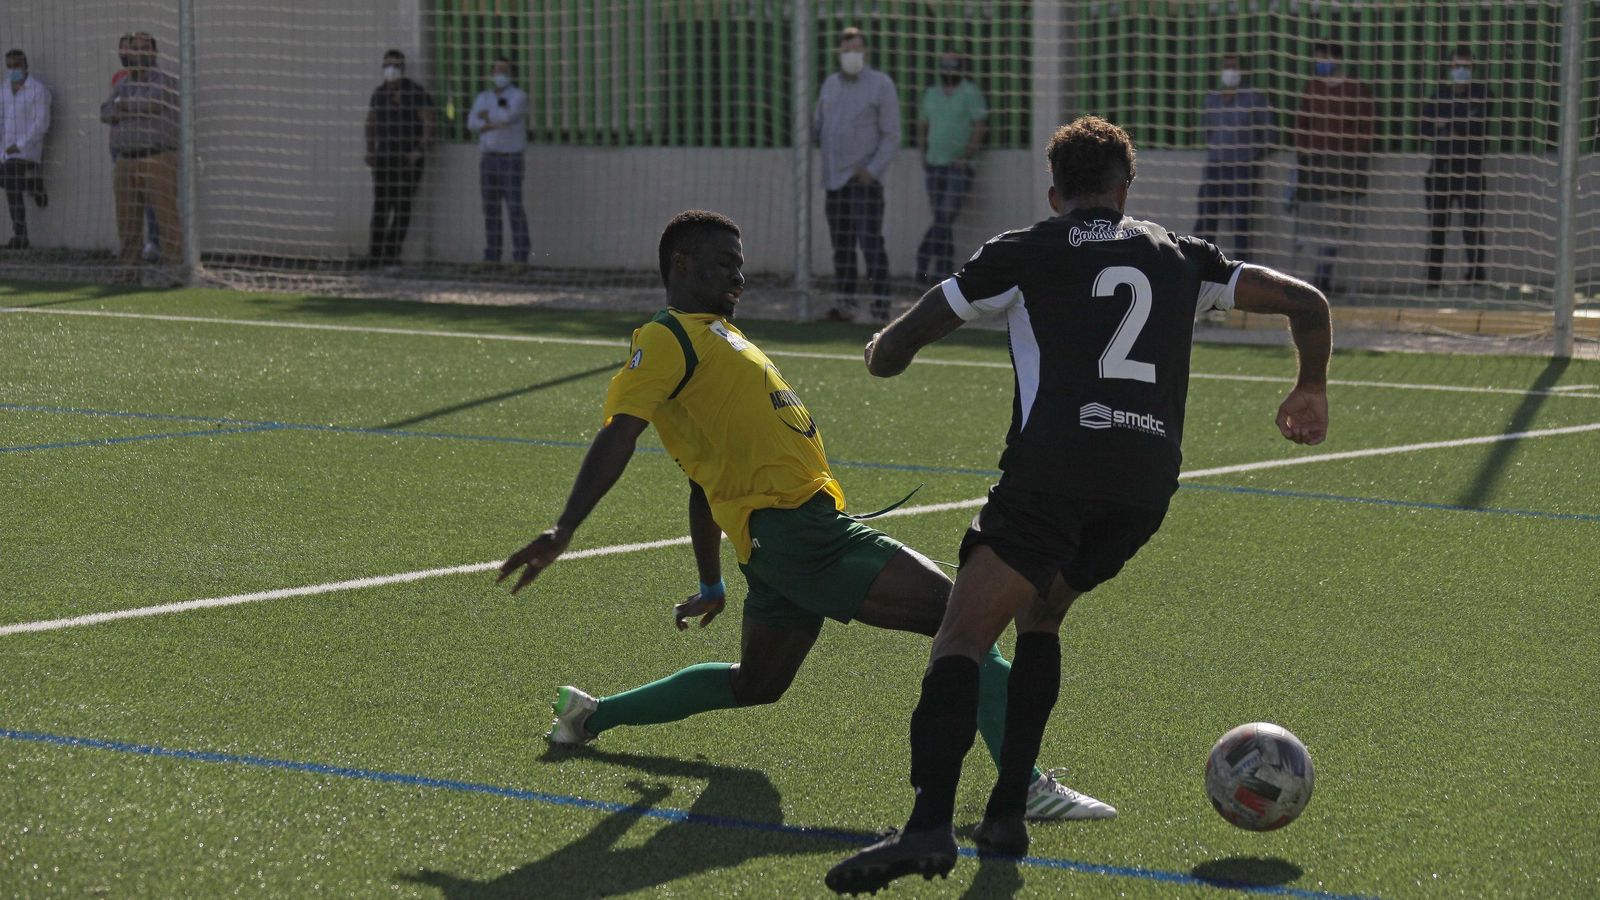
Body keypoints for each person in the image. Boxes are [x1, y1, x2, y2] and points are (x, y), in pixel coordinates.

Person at [825, 116, 1331, 894]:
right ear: (1127, 189)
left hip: (1052, 473)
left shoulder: (1025, 249)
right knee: (1044, 616)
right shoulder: (1180, 254)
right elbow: (1306, 301)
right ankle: (1005, 812)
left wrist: (879, 353)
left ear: (1055, 192)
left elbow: (912, 332)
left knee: (960, 635)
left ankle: (927, 827)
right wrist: (1310, 387)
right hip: (1142, 486)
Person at [498, 209, 1116, 824]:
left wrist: (713, 581)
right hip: (803, 536)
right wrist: (566, 528)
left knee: (756, 685)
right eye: (723, 265)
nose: (738, 279)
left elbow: (701, 481)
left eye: (741, 268)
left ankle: (588, 715)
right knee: (966, 620)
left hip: (776, 544)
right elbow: (619, 435)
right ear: (680, 264)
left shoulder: (723, 336)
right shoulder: (665, 338)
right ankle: (1026, 785)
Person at [814, 27, 900, 323]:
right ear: (840, 54)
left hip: (863, 181)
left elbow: (891, 135)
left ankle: (881, 306)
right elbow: (819, 125)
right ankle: (845, 305)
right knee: (842, 246)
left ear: (866, 53)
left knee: (871, 243)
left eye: (857, 49)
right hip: (834, 181)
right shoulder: (830, 84)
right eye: (847, 50)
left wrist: (872, 170)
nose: (852, 55)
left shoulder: (881, 85)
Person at [1291, 42, 1373, 294]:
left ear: (1336, 60)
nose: (1320, 63)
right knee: (1316, 223)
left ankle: (1323, 276)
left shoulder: (1355, 89)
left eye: (1323, 58)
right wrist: (1304, 153)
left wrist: (1354, 155)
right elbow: (1302, 124)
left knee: (1339, 224)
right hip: (1316, 165)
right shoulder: (1312, 88)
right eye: (1317, 59)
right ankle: (1317, 278)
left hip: (1345, 166)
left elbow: (1367, 125)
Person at [99, 32, 181, 270]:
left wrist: (123, 107)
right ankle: (128, 270)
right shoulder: (124, 83)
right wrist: (126, 107)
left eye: (145, 48)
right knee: (126, 219)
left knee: (166, 217)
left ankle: (177, 269)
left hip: (156, 157)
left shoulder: (164, 80)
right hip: (125, 160)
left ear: (154, 52)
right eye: (135, 48)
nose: (139, 53)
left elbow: (153, 104)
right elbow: (104, 111)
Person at [914, 52, 987, 285]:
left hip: (958, 167)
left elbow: (979, 126)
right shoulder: (932, 93)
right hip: (934, 163)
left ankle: (923, 259)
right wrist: (923, 152)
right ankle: (942, 273)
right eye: (945, 68)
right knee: (941, 219)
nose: (949, 72)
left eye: (953, 68)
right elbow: (923, 124)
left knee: (944, 216)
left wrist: (966, 157)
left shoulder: (970, 92)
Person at [1421, 47, 1492, 286]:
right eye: (1456, 66)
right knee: (1437, 226)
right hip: (1440, 169)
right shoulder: (1439, 95)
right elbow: (1426, 128)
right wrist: (1458, 124)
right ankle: (1432, 280)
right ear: (1450, 68)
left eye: (1466, 67)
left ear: (1473, 69)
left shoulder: (1482, 94)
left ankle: (1476, 276)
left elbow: (1476, 127)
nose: (1461, 71)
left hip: (1469, 169)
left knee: (1472, 225)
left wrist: (1448, 123)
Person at [1195, 53, 1272, 257]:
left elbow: (1268, 133)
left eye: (1234, 67)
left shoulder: (1254, 98)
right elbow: (1206, 131)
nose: (1230, 71)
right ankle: (1201, 269)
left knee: (1241, 223)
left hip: (1242, 168)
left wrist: (1250, 153)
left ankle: (1241, 275)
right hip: (1215, 166)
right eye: (1226, 66)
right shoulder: (1212, 99)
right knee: (1205, 220)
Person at [364, 49, 435, 270]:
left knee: (402, 206)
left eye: (395, 65)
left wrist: (419, 150)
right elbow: (371, 123)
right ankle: (374, 256)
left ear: (403, 68)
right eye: (387, 65)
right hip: (384, 158)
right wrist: (370, 150)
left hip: (406, 159)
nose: (390, 69)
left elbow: (429, 123)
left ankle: (392, 255)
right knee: (381, 207)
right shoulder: (379, 93)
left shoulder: (415, 92)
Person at [466, 56, 530, 266]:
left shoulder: (519, 95)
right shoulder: (483, 96)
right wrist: (490, 118)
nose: (500, 74)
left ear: (511, 74)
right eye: (497, 70)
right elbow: (471, 123)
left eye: (505, 70)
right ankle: (492, 255)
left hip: (510, 159)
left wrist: (487, 117)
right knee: (490, 207)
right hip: (488, 159)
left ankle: (520, 257)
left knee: (514, 207)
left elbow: (508, 117)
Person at [111, 34, 160, 262]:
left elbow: (149, 107)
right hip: (121, 146)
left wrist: (125, 106)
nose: (126, 54)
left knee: (152, 200)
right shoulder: (120, 79)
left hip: (148, 149)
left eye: (129, 49)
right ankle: (130, 250)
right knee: (127, 204)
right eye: (123, 49)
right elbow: (108, 110)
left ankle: (154, 242)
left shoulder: (157, 79)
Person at [0, 49, 50, 251]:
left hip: (26, 150)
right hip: (5, 150)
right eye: (9, 66)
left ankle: (20, 235)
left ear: (26, 66)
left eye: (17, 65)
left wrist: (18, 145)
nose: (13, 70)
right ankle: (30, 183)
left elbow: (41, 124)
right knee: (12, 179)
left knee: (11, 183)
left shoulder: (38, 90)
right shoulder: (4, 89)